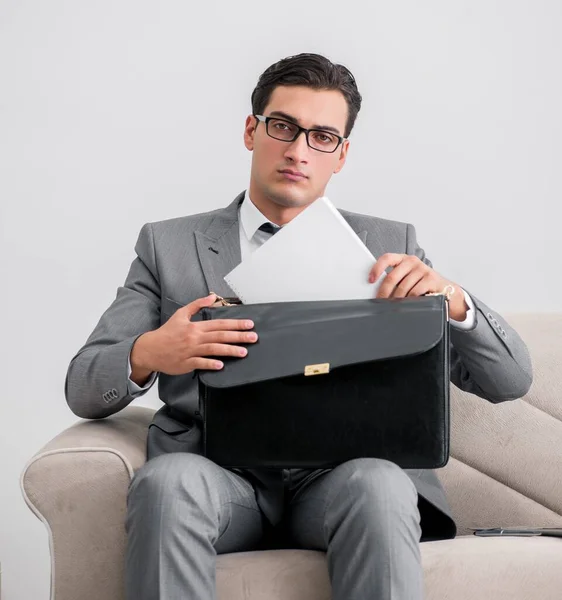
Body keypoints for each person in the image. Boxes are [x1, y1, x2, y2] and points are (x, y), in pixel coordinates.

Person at [65, 52, 533, 600]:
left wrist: (453, 298)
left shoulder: (392, 245)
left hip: (342, 480)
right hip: (219, 478)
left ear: (341, 154)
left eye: (322, 137)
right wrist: (150, 351)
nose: (297, 150)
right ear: (251, 130)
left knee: (382, 483)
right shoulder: (168, 246)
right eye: (283, 127)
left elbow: (512, 380)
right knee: (166, 483)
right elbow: (83, 386)